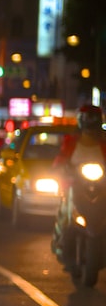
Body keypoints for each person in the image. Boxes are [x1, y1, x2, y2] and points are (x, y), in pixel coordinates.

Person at [51, 104, 106, 273]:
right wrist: (61, 168)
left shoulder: (104, 142)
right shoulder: (72, 141)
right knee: (68, 215)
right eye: (87, 119)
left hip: (100, 187)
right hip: (75, 185)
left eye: (93, 120)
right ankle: (63, 247)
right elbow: (61, 159)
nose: (90, 124)